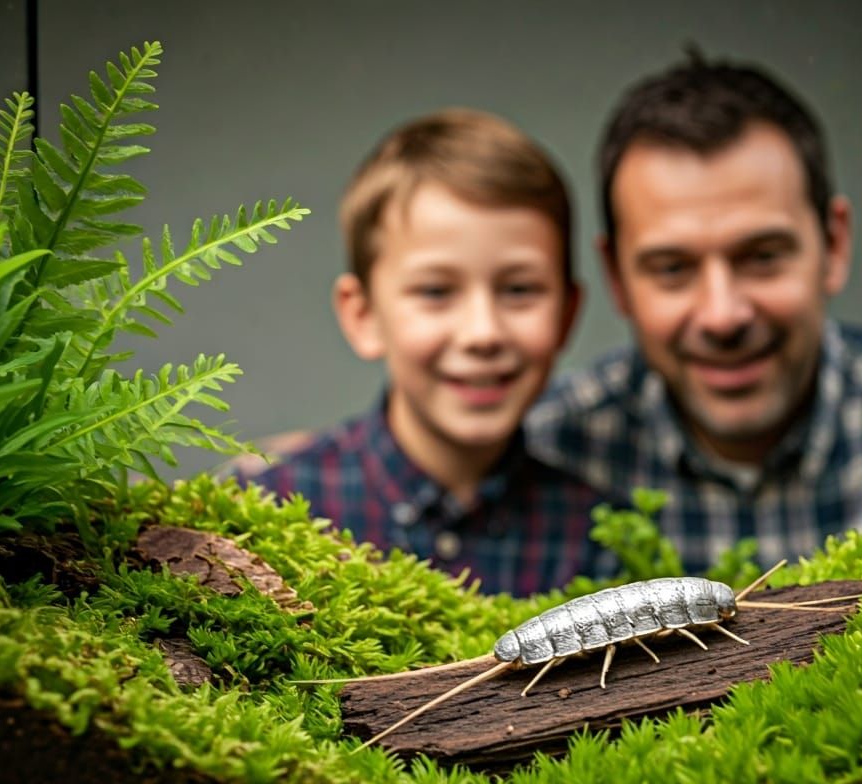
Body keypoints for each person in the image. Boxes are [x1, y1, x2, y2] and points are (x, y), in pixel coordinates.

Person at [525, 53, 862, 572]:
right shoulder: (552, 446)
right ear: (617, 278)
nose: (722, 316)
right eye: (672, 268)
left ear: (833, 245)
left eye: (763, 257)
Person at [235, 108, 619, 596]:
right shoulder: (271, 506)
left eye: (520, 289)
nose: (483, 333)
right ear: (364, 316)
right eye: (436, 291)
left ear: (567, 314)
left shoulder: (603, 540)